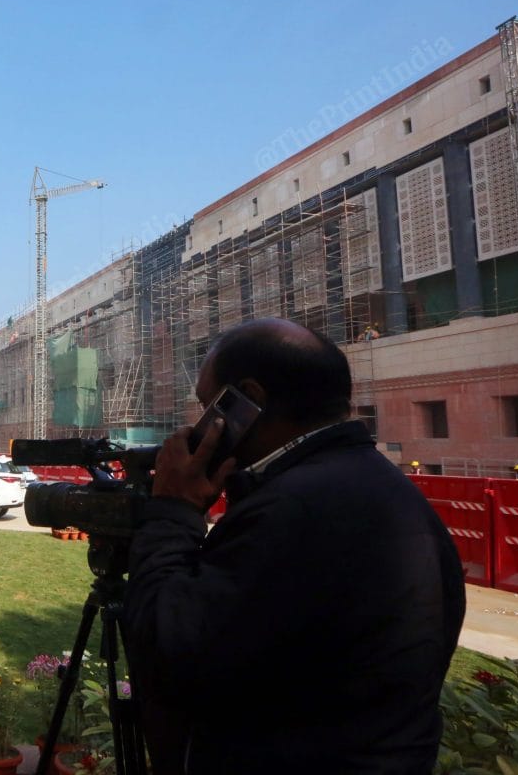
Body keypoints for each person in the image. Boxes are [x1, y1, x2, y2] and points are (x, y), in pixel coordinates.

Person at [123, 318, 465, 774]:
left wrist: (173, 511)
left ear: (251, 400)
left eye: (209, 407)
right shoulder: (380, 487)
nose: (201, 427)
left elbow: (168, 651)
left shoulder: (297, 509)